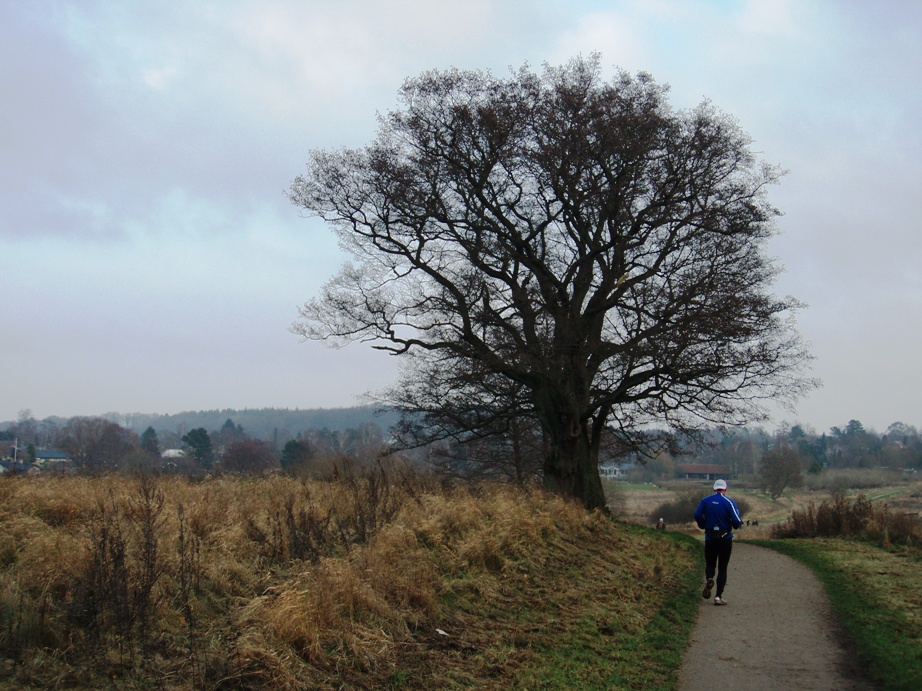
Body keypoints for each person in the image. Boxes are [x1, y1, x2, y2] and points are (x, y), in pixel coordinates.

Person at [693, 479, 743, 606]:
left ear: (714, 488)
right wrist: (735, 526)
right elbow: (737, 520)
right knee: (722, 567)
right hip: (725, 538)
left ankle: (709, 578)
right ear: (725, 489)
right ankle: (718, 596)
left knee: (710, 564)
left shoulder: (705, 501)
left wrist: (703, 524)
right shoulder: (729, 502)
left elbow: (697, 514)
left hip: (710, 537)